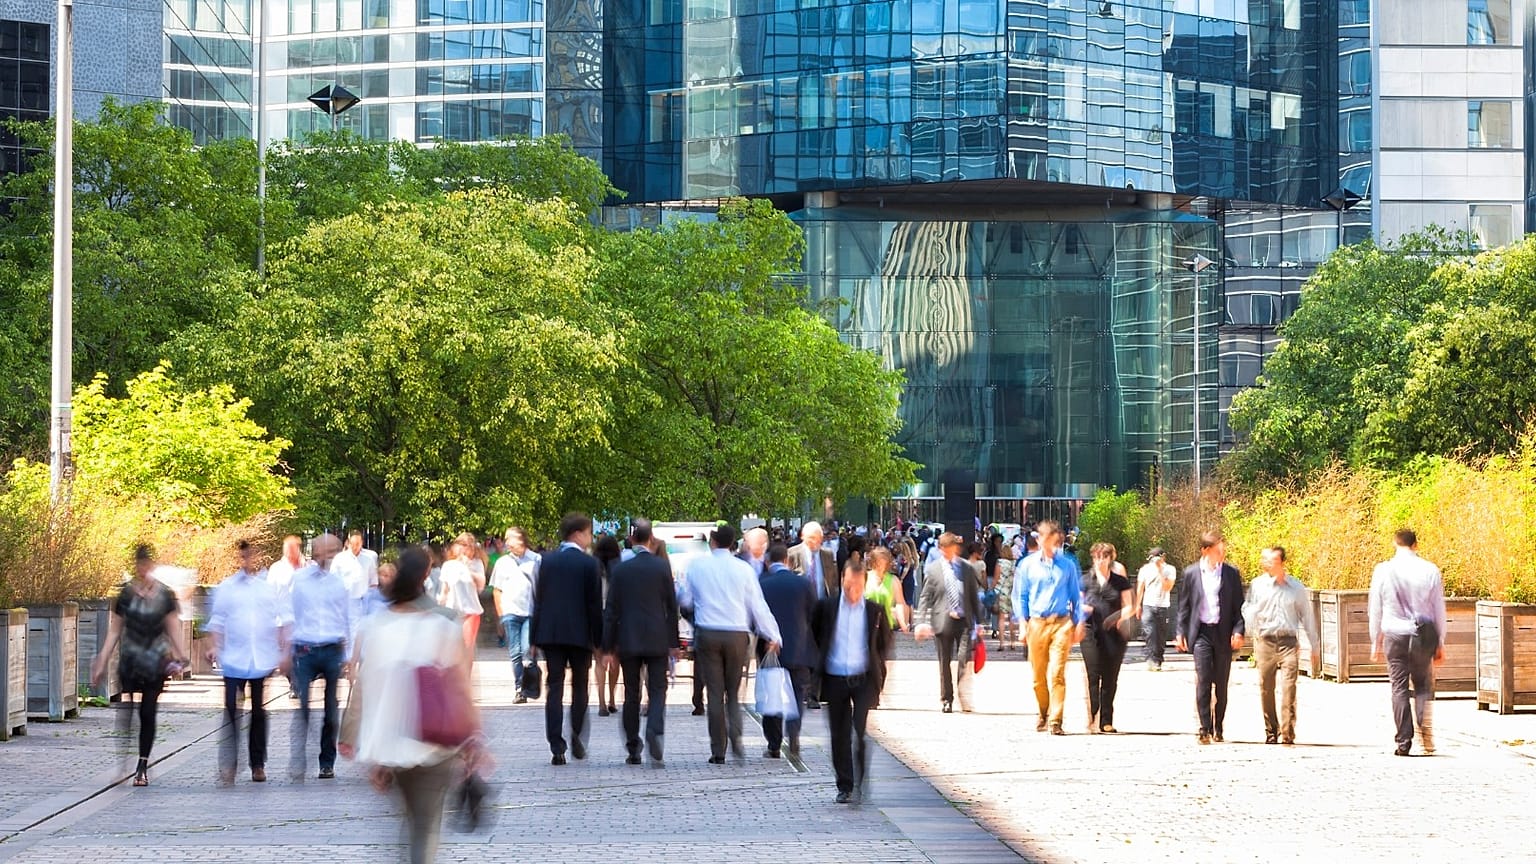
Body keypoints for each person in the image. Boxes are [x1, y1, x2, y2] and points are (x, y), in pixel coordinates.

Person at [353, 546, 483, 864]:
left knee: (411, 820)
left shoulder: (375, 627)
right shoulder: (443, 626)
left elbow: (369, 692)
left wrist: (374, 754)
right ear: (426, 576)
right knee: (425, 828)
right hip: (433, 742)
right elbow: (459, 688)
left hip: (391, 745)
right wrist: (473, 740)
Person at [678, 524, 782, 764]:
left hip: (709, 633)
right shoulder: (743, 569)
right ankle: (736, 739)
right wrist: (773, 635)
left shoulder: (697, 566)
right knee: (733, 693)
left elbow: (685, 599)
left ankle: (718, 750)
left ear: (712, 542)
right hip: (737, 635)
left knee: (714, 693)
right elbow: (757, 606)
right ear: (733, 543)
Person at [90, 544, 188, 787]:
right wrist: (102, 659)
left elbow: (172, 626)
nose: (143, 569)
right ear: (136, 565)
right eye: (139, 564)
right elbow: (115, 630)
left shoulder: (165, 595)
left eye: (146, 564)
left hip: (155, 660)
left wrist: (182, 655)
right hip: (131, 659)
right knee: (127, 712)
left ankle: (141, 766)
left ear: (152, 566)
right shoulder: (125, 594)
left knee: (148, 712)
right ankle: (124, 762)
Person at [206, 540, 290, 784]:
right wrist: (214, 646)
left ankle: (257, 763)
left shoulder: (266, 588)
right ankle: (229, 763)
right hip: (234, 658)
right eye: (243, 557)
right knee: (232, 711)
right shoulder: (227, 587)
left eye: (250, 557)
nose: (247, 561)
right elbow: (217, 620)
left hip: (261, 657)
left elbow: (282, 619)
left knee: (258, 712)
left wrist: (284, 653)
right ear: (238, 558)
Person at [811, 558, 893, 804]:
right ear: (841, 582)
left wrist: (877, 668)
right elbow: (816, 633)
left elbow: (884, 642)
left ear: (864, 585)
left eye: (857, 585)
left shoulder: (874, 611)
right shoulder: (827, 607)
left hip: (863, 678)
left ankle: (860, 780)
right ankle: (844, 785)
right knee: (839, 734)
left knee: (860, 730)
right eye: (848, 585)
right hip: (835, 677)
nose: (852, 590)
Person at [601, 518, 679, 767]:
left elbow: (611, 610)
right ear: (651, 540)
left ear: (632, 540)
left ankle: (633, 747)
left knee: (631, 693)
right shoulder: (661, 568)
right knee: (657, 690)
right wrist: (674, 642)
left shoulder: (621, 570)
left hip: (629, 639)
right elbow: (671, 606)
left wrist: (607, 647)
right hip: (657, 638)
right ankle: (654, 729)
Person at [530, 513, 603, 765]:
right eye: (588, 533)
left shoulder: (546, 561)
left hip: (551, 634)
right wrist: (599, 640)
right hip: (580, 635)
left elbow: (538, 600)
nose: (589, 538)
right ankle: (577, 735)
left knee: (555, 688)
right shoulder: (589, 564)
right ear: (578, 533)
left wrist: (533, 636)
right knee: (580, 687)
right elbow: (594, 606)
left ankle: (556, 746)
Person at [1369, 529, 1447, 756]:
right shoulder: (1430, 570)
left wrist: (1375, 640)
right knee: (1423, 685)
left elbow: (1375, 608)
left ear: (1395, 544)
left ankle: (1404, 742)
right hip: (1423, 635)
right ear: (1416, 544)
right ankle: (1425, 731)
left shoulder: (1383, 570)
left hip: (1394, 634)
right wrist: (1440, 641)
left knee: (1399, 687)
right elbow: (1438, 609)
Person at [287, 532, 352, 779]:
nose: (330, 556)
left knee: (331, 708)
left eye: (334, 551)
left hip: (333, 647)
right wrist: (286, 650)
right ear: (315, 553)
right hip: (305, 648)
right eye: (326, 551)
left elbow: (348, 617)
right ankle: (299, 757)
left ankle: (327, 762)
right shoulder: (300, 580)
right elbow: (289, 614)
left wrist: (349, 654)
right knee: (302, 706)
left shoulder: (339, 581)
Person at [1011, 521, 1086, 734]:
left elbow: (1076, 596)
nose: (1047, 543)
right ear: (1039, 539)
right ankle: (1044, 711)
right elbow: (1020, 596)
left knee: (1058, 672)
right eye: (1043, 538)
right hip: (1036, 623)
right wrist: (1023, 624)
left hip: (1061, 622)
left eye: (1051, 539)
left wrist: (1078, 622)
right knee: (1038, 676)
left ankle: (1056, 720)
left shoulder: (1068, 565)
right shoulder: (1027, 565)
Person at [1174, 530, 1246, 744]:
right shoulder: (1191, 573)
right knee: (1203, 680)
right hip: (1202, 633)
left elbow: (1238, 608)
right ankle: (1204, 727)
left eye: (1223, 551)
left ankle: (1219, 726)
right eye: (1217, 551)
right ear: (1205, 551)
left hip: (1223, 633)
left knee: (1221, 684)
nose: (1221, 554)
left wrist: (1238, 630)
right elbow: (1184, 606)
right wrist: (1180, 632)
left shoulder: (1231, 574)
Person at [1243, 546, 1321, 745]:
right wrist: (1250, 629)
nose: (1265, 563)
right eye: (1264, 560)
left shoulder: (1295, 587)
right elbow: (1247, 611)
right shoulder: (1258, 585)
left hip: (1288, 642)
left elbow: (1307, 616)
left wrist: (1315, 645)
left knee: (1289, 687)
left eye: (1270, 560)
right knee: (1266, 688)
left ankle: (1287, 731)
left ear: (1281, 562)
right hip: (1265, 641)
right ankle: (1271, 730)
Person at [758, 542, 818, 759]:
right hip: (799, 648)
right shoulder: (803, 584)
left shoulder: (762, 583)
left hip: (770, 648)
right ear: (787, 560)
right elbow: (814, 614)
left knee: (772, 695)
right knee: (797, 693)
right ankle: (793, 734)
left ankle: (774, 744)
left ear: (768, 561)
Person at [914, 532, 983, 714]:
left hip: (964, 621)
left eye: (952, 548)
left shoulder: (966, 568)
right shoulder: (934, 570)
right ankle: (947, 698)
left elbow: (973, 596)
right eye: (945, 549)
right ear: (941, 549)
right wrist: (921, 621)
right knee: (944, 662)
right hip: (942, 621)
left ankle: (960, 687)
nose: (949, 552)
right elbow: (925, 597)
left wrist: (979, 622)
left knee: (963, 659)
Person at [1081, 542, 1133, 734]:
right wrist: (1083, 609)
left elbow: (1130, 606)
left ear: (1111, 559)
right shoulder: (1085, 581)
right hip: (1090, 632)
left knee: (1110, 677)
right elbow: (1075, 603)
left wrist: (1118, 616)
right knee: (1093, 675)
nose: (1100, 560)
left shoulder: (1120, 582)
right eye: (1097, 557)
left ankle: (1106, 720)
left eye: (1104, 556)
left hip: (1115, 635)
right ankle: (1093, 715)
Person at [489, 526, 540, 702]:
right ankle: (520, 688)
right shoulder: (502, 563)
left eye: (509, 538)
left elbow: (542, 588)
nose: (506, 542)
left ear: (521, 539)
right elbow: (497, 590)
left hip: (530, 612)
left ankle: (531, 680)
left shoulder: (536, 560)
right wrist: (501, 614)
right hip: (510, 612)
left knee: (526, 650)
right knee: (515, 652)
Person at [437, 533, 487, 653]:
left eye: (468, 546)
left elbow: (481, 585)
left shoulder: (476, 563)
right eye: (461, 545)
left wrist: (467, 568)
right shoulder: (448, 565)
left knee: (467, 647)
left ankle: (467, 670)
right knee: (452, 648)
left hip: (470, 611)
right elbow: (444, 589)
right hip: (452, 612)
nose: (464, 549)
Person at [592, 534, 624, 717]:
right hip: (616, 617)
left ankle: (602, 703)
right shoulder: (619, 568)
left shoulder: (592, 568)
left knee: (599, 661)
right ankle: (612, 698)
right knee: (615, 659)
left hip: (596, 618)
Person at [1136, 547, 1177, 671]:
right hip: (1148, 605)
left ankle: (1158, 659)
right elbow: (1140, 587)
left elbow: (1167, 587)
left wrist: (1160, 570)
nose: (1153, 562)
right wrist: (1137, 605)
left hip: (1163, 606)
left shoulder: (1170, 569)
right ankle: (1151, 660)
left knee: (1160, 636)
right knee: (1149, 633)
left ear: (1162, 557)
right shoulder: (1144, 570)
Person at [993, 538, 1017, 651]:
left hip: (1001, 592)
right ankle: (1013, 642)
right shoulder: (1014, 564)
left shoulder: (1000, 563)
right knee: (1012, 618)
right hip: (1012, 591)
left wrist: (991, 589)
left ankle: (1002, 643)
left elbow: (996, 578)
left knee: (1001, 618)